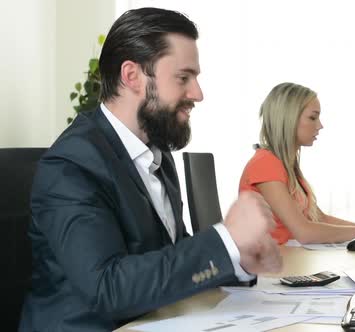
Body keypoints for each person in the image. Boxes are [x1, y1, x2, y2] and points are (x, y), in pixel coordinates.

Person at [20, 8, 282, 332]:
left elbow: (171, 257)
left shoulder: (157, 154)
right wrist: (225, 240)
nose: (198, 93)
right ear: (132, 76)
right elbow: (108, 288)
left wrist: (237, 259)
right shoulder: (70, 167)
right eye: (183, 78)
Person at [239, 82, 355, 245]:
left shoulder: (286, 165)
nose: (320, 125)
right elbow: (304, 232)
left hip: (289, 258)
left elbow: (319, 218)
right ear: (288, 119)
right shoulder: (265, 164)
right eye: (313, 117)